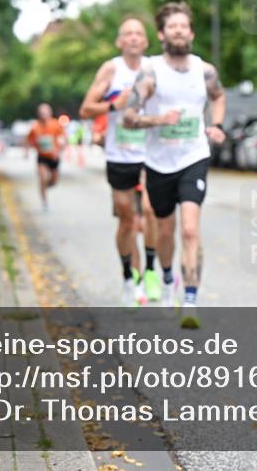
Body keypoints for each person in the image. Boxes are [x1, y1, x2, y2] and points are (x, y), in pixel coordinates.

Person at [123, 1, 227, 329]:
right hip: (158, 162)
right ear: (161, 34)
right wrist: (157, 119)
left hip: (194, 156)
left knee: (191, 228)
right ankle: (168, 278)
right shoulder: (151, 71)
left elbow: (218, 96)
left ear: (191, 32)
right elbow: (128, 117)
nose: (179, 31)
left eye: (184, 26)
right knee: (164, 230)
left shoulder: (204, 70)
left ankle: (191, 299)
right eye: (173, 27)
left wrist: (217, 125)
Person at [80, 16, 160, 308]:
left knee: (151, 211)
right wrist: (116, 103)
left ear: (147, 40)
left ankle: (150, 270)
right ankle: (129, 277)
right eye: (128, 34)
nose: (134, 38)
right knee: (127, 219)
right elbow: (86, 108)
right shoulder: (111, 69)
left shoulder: (155, 68)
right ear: (119, 41)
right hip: (119, 155)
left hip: (151, 154)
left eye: (139, 33)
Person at [25, 104, 66, 211]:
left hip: (54, 157)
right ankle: (44, 202)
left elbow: (63, 138)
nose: (44, 115)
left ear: (50, 113)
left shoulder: (56, 124)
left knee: (54, 182)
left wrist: (60, 148)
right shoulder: (35, 127)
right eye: (41, 113)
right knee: (43, 178)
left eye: (45, 113)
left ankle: (43, 187)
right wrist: (27, 150)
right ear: (38, 114)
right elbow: (28, 140)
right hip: (42, 157)